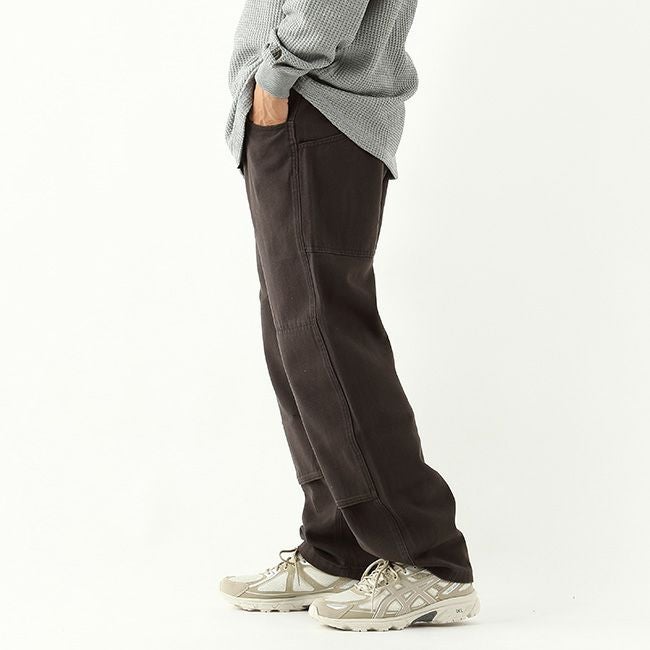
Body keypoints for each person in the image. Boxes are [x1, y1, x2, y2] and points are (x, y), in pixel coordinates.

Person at [220, 0, 479, 631]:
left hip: (316, 105)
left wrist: (276, 73)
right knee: (295, 341)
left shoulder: (297, 83)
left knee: (325, 339)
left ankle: (428, 558)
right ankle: (339, 545)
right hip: (297, 110)